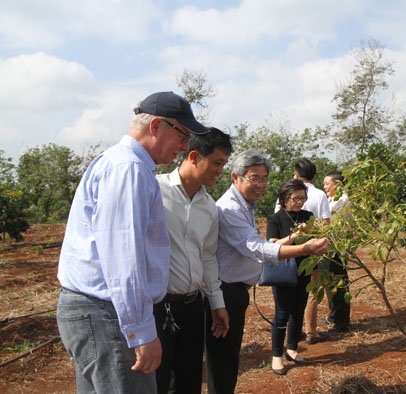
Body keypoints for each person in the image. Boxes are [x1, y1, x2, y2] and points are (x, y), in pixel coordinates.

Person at [56, 91, 208, 394]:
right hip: (107, 313)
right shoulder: (128, 169)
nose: (185, 147)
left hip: (99, 311)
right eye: (182, 135)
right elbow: (123, 259)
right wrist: (141, 332)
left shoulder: (124, 164)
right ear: (156, 127)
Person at [205, 150, 329, 394]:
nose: (260, 184)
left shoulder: (246, 205)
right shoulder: (230, 209)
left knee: (228, 362)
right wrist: (303, 246)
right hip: (225, 292)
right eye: (254, 178)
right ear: (235, 177)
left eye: (264, 178)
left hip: (234, 291)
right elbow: (258, 247)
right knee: (223, 363)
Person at [154, 127, 232, 393]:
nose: (220, 170)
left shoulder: (209, 208)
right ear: (194, 156)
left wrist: (216, 303)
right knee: (157, 380)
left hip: (192, 307)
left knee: (188, 381)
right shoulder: (153, 191)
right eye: (217, 162)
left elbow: (207, 257)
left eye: (224, 164)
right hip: (157, 307)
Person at [266, 179, 314, 375]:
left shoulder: (308, 216)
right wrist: (294, 237)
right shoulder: (275, 219)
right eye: (296, 198)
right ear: (285, 198)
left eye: (303, 198)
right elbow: (273, 244)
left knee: (298, 310)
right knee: (282, 313)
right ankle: (276, 356)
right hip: (284, 271)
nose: (300, 202)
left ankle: (292, 349)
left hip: (304, 268)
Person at [288, 159, 331, 345]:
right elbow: (326, 225)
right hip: (313, 250)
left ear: (297, 175)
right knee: (312, 292)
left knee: (291, 292)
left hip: (290, 250)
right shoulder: (320, 195)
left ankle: (293, 333)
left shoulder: (287, 193)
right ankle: (311, 332)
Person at [322, 170, 351, 333]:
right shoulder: (332, 198)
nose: (325, 186)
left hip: (337, 248)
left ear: (337, 185)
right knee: (330, 282)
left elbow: (329, 221)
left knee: (339, 284)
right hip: (330, 247)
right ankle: (334, 315)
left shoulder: (343, 200)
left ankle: (342, 322)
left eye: (327, 183)